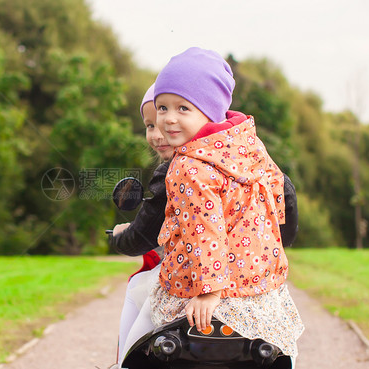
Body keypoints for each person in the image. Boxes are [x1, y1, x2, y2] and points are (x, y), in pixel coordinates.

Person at [126, 47, 304, 366]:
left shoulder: (187, 165)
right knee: (286, 352)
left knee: (139, 338)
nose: (168, 118)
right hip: (261, 293)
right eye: (162, 107)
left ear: (209, 110)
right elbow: (278, 202)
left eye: (183, 108)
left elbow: (202, 229)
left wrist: (208, 290)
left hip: (206, 290)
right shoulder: (249, 146)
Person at [109, 83, 171, 363]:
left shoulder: (174, 170)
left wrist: (122, 235)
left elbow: (142, 236)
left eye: (162, 123)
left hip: (193, 276)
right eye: (149, 126)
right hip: (249, 275)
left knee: (136, 290)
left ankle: (123, 363)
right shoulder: (249, 157)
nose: (157, 135)